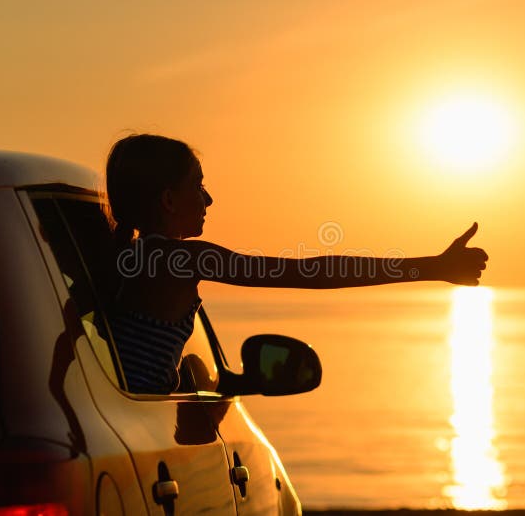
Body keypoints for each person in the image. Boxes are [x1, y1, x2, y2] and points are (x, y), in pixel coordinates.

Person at [104, 133, 488, 394]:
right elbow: (312, 272)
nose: (209, 200)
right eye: (198, 186)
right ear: (168, 200)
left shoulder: (124, 257)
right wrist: (433, 268)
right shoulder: (179, 259)